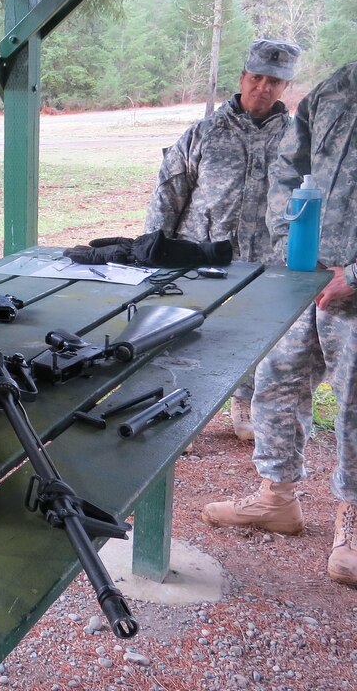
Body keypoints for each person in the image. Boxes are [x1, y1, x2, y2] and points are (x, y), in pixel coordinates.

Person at [202, 60, 357, 588]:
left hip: (354, 288)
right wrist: (290, 247)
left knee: (355, 402)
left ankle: (352, 520)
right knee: (276, 384)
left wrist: (354, 275)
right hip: (305, 273)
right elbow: (289, 168)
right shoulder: (338, 85)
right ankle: (277, 498)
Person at [144, 38, 300, 440]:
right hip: (201, 255)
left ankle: (244, 404)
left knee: (258, 334)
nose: (262, 87)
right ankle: (178, 408)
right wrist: (154, 249)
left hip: (267, 259)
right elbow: (169, 192)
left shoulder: (297, 139)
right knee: (188, 332)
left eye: (274, 82)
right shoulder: (205, 131)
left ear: (285, 87)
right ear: (243, 77)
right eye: (256, 77)